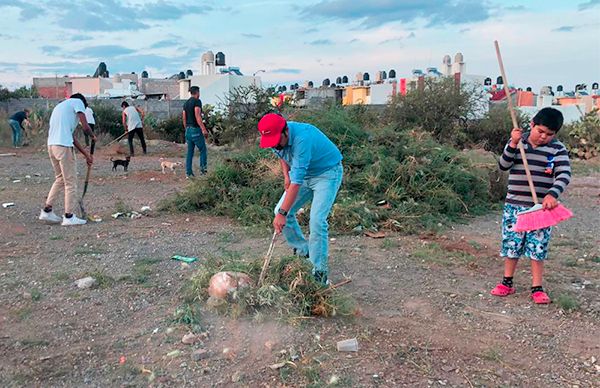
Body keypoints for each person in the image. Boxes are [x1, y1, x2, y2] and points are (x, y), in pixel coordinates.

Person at [491, 107, 571, 304]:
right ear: (532, 125)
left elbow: (564, 174)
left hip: (541, 209)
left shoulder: (557, 149)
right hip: (515, 206)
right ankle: (507, 282)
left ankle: (537, 287)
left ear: (555, 134)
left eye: (549, 134)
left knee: (537, 247)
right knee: (512, 245)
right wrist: (513, 142)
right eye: (540, 131)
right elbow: (503, 165)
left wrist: (553, 194)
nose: (543, 137)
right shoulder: (519, 142)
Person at [257, 113, 343, 284]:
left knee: (317, 220)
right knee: (279, 211)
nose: (275, 145)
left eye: (277, 141)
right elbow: (281, 154)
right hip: (302, 175)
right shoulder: (275, 136)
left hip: (327, 173)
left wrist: (282, 213)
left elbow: (296, 183)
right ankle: (304, 252)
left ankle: (319, 273)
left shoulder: (302, 139)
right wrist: (286, 175)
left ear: (286, 132)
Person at [39, 93, 96, 226]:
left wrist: (86, 155)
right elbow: (86, 126)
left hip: (52, 146)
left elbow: (71, 137)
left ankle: (47, 211)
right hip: (63, 147)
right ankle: (69, 217)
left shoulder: (60, 107)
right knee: (70, 182)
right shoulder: (78, 102)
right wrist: (93, 136)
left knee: (60, 179)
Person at [182, 86, 209, 177]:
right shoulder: (197, 102)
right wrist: (204, 129)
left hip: (188, 130)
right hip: (195, 129)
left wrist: (186, 129)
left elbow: (184, 118)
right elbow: (198, 116)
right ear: (197, 92)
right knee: (203, 150)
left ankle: (188, 173)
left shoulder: (186, 103)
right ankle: (203, 171)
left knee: (190, 152)